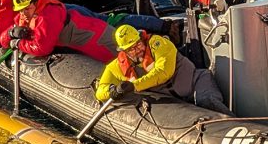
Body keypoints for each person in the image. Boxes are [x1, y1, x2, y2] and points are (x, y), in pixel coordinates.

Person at [95, 25, 231, 113]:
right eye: (131, 49)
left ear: (141, 39)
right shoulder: (117, 66)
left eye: (138, 44)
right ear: (124, 51)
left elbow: (163, 72)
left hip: (196, 83)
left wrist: (134, 86)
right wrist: (113, 91)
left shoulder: (158, 44)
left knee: (207, 101)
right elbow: (100, 90)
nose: (138, 50)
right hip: (174, 102)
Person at [3, 0, 118, 62]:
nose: (23, 13)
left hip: (99, 38)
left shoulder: (47, 16)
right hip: (86, 39)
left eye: (27, 9)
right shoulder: (25, 16)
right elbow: (3, 39)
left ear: (35, 3)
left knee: (123, 62)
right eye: (20, 10)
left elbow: (42, 48)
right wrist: (10, 33)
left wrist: (18, 44)